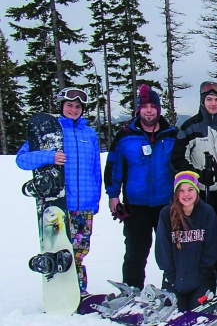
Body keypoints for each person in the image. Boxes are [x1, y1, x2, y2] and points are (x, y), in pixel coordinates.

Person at [16, 87, 101, 294]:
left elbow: (95, 169)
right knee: (62, 251)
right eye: (69, 105)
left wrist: (95, 200)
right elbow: (22, 159)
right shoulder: (50, 133)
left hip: (85, 206)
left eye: (78, 106)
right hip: (60, 205)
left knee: (80, 252)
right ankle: (61, 289)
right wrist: (49, 156)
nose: (73, 109)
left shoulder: (89, 134)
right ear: (62, 106)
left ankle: (79, 291)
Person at [105, 84, 177, 289]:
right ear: (138, 109)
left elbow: (181, 166)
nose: (148, 111)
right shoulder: (126, 135)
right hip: (135, 204)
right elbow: (114, 165)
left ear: (158, 110)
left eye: (152, 107)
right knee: (136, 251)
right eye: (144, 106)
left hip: (167, 204)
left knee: (171, 250)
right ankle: (132, 290)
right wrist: (113, 195)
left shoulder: (171, 134)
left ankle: (173, 289)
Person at [171, 81, 217, 284]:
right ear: (202, 102)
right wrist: (197, 175)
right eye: (209, 99)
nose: (213, 103)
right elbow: (177, 159)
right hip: (198, 192)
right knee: (200, 232)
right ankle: (199, 273)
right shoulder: (191, 126)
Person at [155, 171, 217, 311]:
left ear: (197, 190)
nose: (186, 195)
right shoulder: (166, 214)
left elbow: (212, 248)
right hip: (174, 279)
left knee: (196, 312)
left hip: (201, 278)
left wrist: (200, 275)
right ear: (176, 193)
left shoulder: (207, 212)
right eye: (181, 191)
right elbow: (163, 250)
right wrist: (172, 277)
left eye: (190, 189)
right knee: (175, 313)